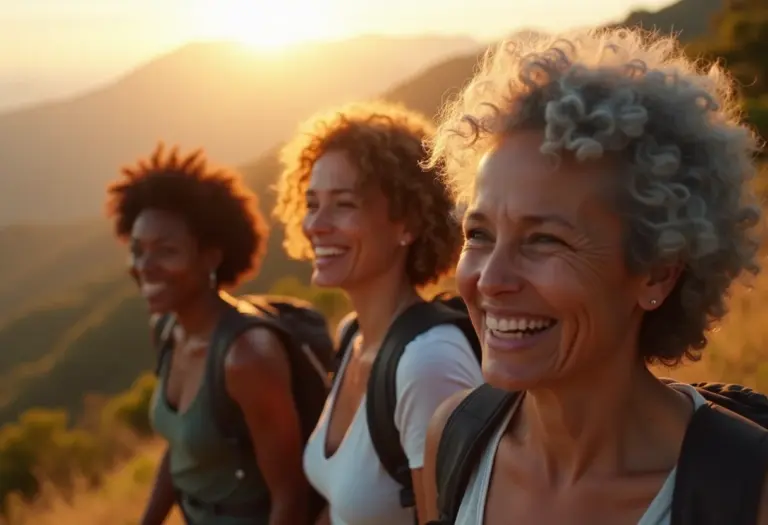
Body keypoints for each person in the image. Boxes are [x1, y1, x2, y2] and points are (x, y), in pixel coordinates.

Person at [420, 29, 768, 525]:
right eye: (478, 234)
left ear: (656, 273)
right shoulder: (455, 437)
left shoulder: (748, 494)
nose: (491, 279)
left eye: (544, 239)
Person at [273, 101, 485, 525]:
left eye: (344, 204)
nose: (315, 225)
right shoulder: (353, 335)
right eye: (312, 204)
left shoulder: (427, 363)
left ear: (407, 223)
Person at [105, 143, 312, 525]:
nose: (145, 266)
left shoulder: (247, 357)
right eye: (137, 250)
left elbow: (291, 497)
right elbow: (182, 450)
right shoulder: (167, 330)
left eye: (166, 251)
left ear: (211, 257)